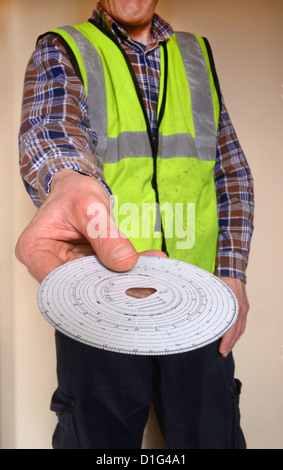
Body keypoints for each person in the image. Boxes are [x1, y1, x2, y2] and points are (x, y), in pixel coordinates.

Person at [15, 1, 254, 449]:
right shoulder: (65, 47)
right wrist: (68, 179)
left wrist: (233, 274)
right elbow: (51, 131)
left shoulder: (197, 53)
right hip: (100, 300)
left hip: (199, 302)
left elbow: (231, 173)